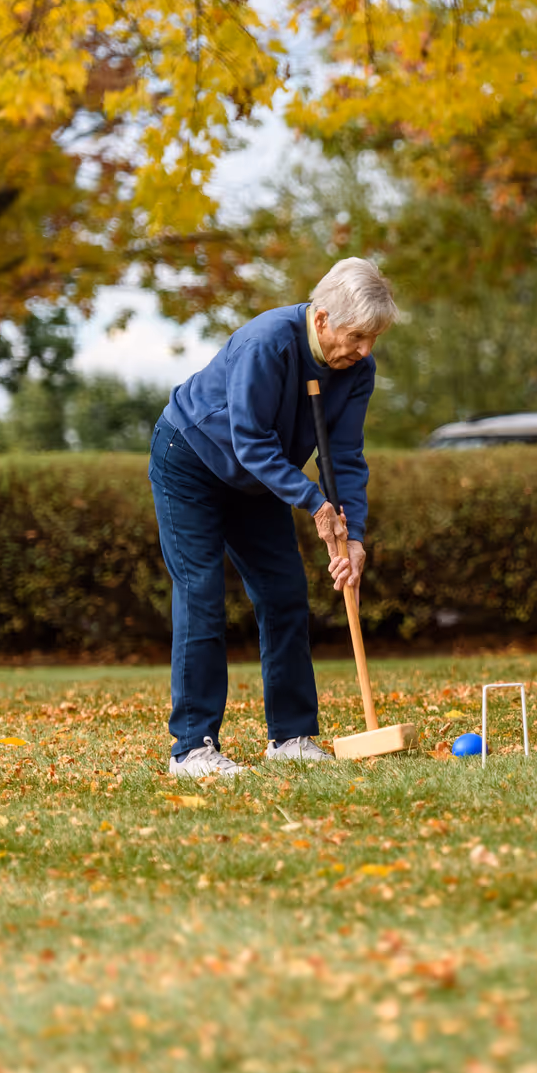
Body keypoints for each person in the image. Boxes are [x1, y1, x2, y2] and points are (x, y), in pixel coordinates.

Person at [149, 258, 400, 776]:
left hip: (261, 476)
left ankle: (290, 735)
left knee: (284, 592)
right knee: (200, 595)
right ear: (324, 318)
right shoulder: (269, 343)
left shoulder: (356, 371)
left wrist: (354, 535)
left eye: (373, 339)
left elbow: (345, 456)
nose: (364, 350)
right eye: (357, 336)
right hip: (192, 459)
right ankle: (192, 749)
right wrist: (314, 503)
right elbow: (251, 442)